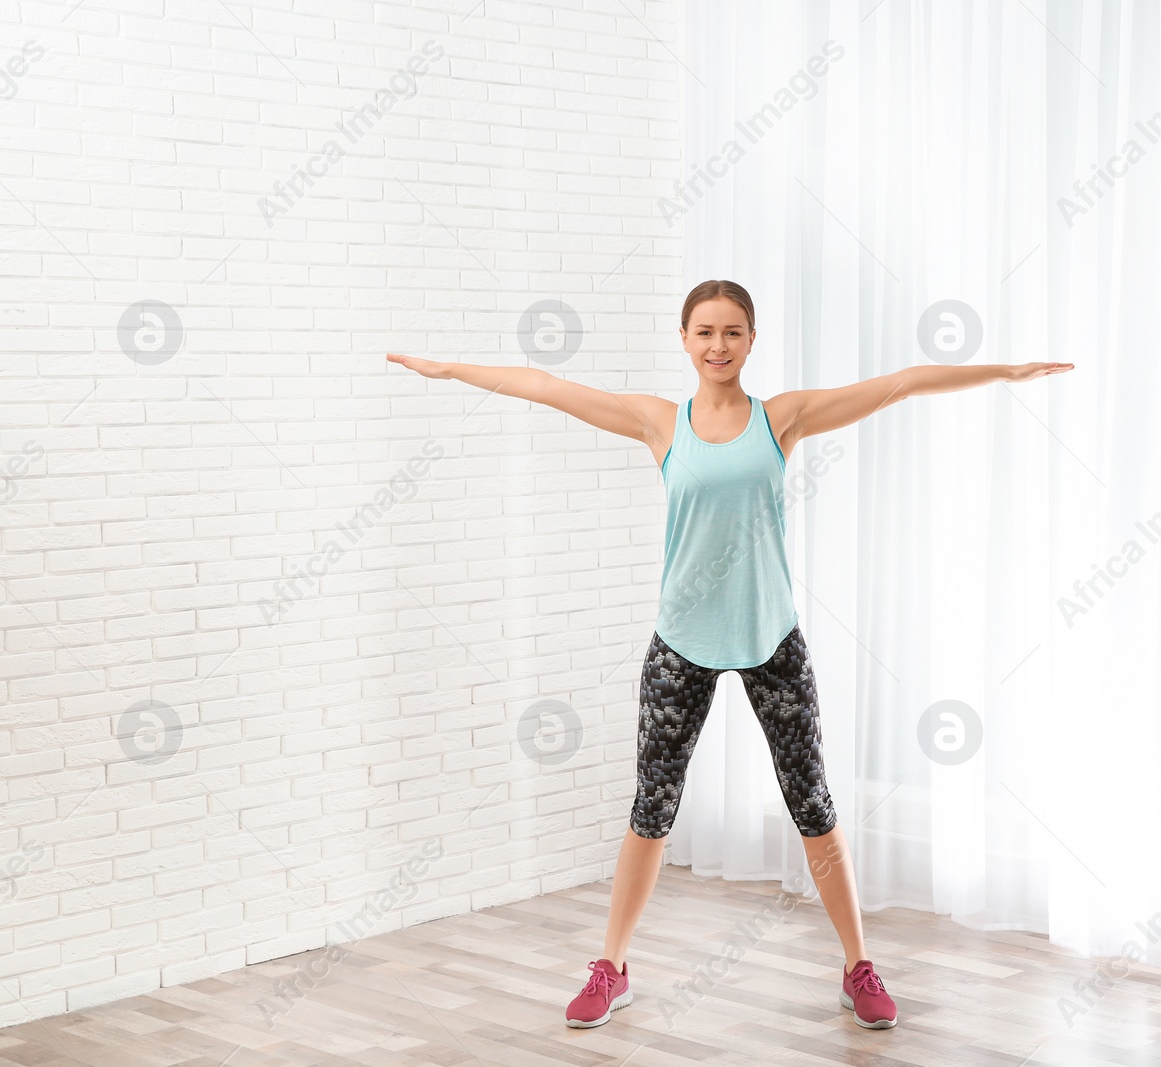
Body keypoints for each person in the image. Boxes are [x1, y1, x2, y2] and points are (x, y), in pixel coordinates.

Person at [387, 280, 1072, 1032]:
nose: (718, 345)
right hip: (681, 643)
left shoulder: (782, 419)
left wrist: (1003, 373)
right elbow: (547, 387)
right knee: (652, 809)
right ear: (684, 339)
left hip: (771, 638)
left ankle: (857, 965)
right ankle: (611, 966)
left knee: (813, 803)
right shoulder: (659, 422)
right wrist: (451, 370)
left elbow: (900, 384)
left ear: (752, 341)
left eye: (733, 332)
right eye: (705, 331)